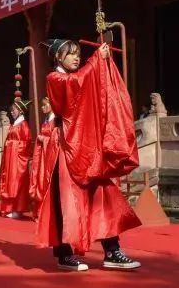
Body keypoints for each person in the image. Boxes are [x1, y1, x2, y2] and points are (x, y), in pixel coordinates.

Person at [37, 38, 141, 272]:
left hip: (87, 147)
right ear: (57, 58)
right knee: (67, 202)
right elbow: (74, 85)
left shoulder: (80, 73)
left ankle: (112, 250)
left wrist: (99, 66)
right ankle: (64, 253)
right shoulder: (55, 78)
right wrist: (95, 62)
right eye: (70, 54)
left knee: (104, 197)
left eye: (78, 53)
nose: (76, 57)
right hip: (65, 148)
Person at [0, 98, 34, 218]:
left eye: (13, 110)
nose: (12, 112)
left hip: (17, 160)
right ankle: (9, 208)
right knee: (9, 181)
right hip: (11, 159)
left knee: (17, 182)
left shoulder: (23, 125)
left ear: (20, 111)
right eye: (12, 110)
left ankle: (17, 209)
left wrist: (11, 145)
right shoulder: (16, 124)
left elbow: (27, 143)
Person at [29, 97, 56, 218]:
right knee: (40, 181)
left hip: (50, 156)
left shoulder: (55, 121)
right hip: (43, 156)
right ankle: (41, 212)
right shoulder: (45, 120)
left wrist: (43, 139)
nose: (42, 107)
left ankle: (49, 212)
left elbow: (56, 140)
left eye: (45, 105)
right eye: (42, 105)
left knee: (47, 181)